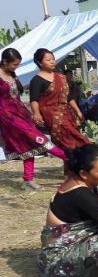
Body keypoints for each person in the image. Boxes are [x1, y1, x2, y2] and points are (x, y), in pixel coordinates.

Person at [38, 144, 98, 277]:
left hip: (65, 248)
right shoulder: (81, 194)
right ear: (83, 173)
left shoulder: (79, 182)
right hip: (58, 259)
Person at [0, 48, 68, 190]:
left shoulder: (11, 75)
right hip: (8, 118)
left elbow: (15, 97)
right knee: (40, 139)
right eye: (14, 65)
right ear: (4, 62)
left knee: (28, 146)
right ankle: (72, 159)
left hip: (21, 114)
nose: (16, 67)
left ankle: (28, 180)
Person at [29, 48, 91, 152]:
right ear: (40, 62)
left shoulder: (60, 77)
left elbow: (69, 97)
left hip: (67, 114)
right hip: (52, 116)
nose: (52, 61)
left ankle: (73, 164)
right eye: (48, 60)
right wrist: (36, 113)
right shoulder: (36, 80)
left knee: (73, 139)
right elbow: (34, 99)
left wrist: (78, 111)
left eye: (53, 59)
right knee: (70, 140)